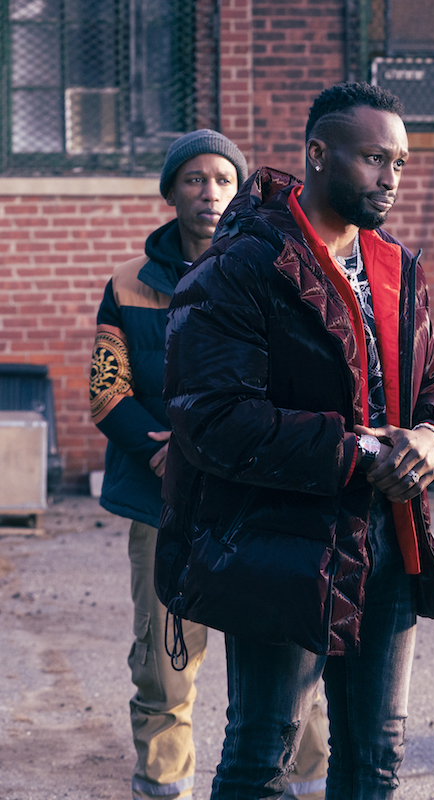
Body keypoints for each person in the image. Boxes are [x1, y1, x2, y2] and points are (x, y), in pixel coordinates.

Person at [154, 82, 434, 799]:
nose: (390, 177)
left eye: (401, 162)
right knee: (265, 756)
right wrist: (362, 452)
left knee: (376, 760)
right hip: (279, 543)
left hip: (388, 540)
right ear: (319, 154)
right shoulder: (243, 265)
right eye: (374, 158)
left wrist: (432, 438)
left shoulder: (397, 268)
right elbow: (212, 418)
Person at [88, 129, 331, 800]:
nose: (210, 192)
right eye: (194, 179)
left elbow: (298, 381)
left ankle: (307, 785)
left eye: (223, 179)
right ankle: (165, 787)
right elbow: (106, 389)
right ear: (171, 193)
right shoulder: (128, 285)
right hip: (163, 502)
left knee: (289, 667)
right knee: (165, 668)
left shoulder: (275, 270)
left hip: (258, 501)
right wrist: (166, 451)